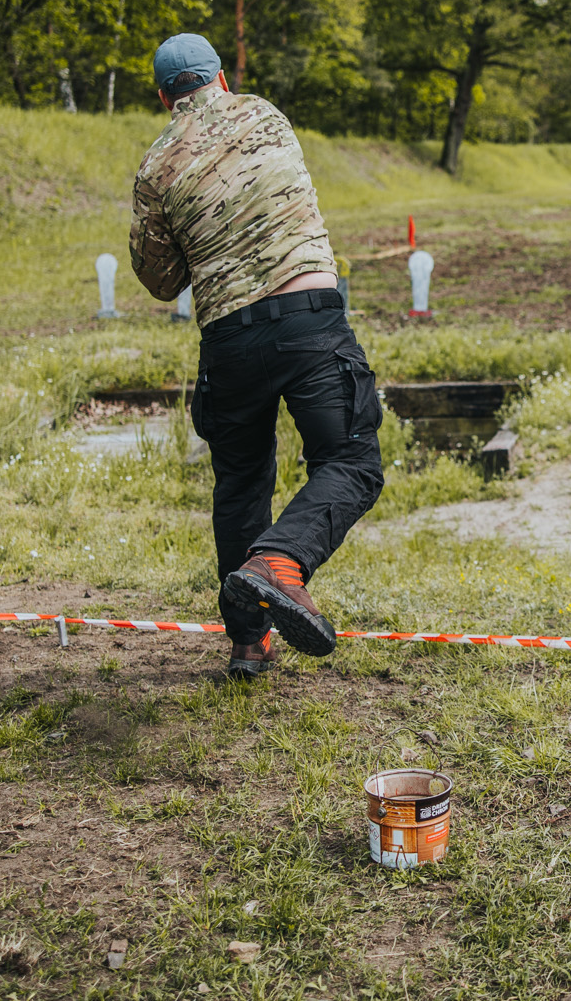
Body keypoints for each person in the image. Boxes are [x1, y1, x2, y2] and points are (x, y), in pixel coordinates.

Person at [128, 33, 384, 678]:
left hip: (230, 340)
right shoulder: (266, 115)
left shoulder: (156, 166)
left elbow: (161, 282)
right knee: (351, 459)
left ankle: (248, 642)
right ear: (220, 77)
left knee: (240, 483)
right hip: (309, 319)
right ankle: (280, 562)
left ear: (164, 97)